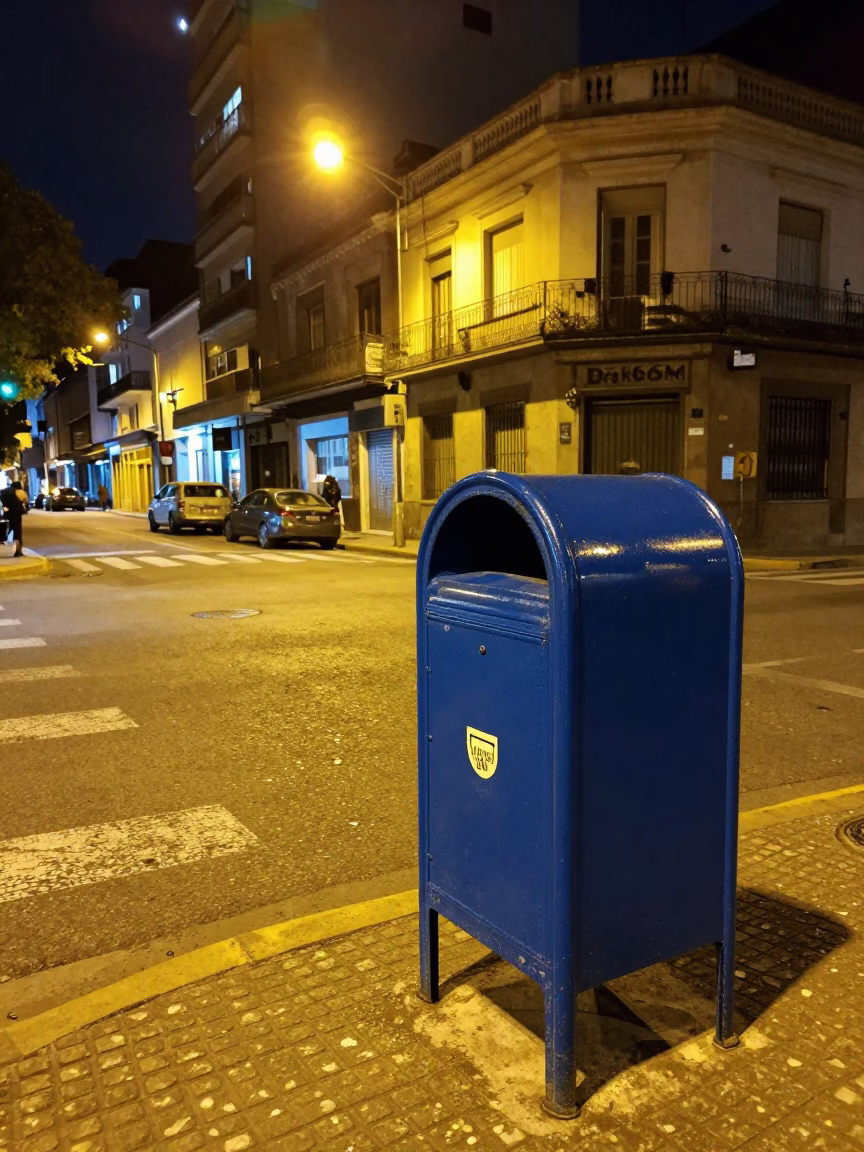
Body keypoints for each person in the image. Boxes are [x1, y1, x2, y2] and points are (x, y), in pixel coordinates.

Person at [1, 481, 26, 557]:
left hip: (7, 515)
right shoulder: (19, 492)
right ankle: (18, 551)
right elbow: (25, 501)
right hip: (17, 515)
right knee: (18, 532)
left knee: (6, 530)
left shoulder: (4, 494)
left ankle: (4, 539)